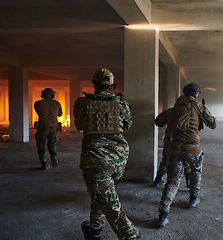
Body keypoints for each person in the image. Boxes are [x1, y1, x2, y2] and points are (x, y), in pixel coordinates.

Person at [73, 68, 140, 240]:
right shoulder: (122, 103)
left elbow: (79, 126)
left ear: (94, 84)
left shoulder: (82, 102)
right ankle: (95, 229)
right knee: (101, 194)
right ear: (111, 85)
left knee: (109, 203)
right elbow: (127, 127)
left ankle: (131, 236)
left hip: (95, 160)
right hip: (118, 159)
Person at [157, 83, 217, 227]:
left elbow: (158, 122)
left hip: (174, 148)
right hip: (192, 149)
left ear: (184, 94)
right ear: (197, 94)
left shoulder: (174, 108)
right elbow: (213, 124)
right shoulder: (199, 107)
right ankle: (193, 198)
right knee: (196, 171)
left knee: (173, 180)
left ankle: (163, 214)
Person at [153, 107, 192, 188]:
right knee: (187, 161)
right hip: (186, 140)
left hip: (171, 139)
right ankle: (189, 182)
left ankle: (158, 180)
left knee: (166, 160)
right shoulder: (192, 112)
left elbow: (158, 122)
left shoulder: (171, 111)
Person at [34, 88, 62, 170]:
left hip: (42, 128)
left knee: (41, 146)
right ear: (53, 95)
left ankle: (44, 164)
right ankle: (54, 160)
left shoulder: (38, 103)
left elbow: (38, 111)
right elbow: (60, 114)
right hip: (53, 129)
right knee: (52, 145)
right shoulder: (57, 103)